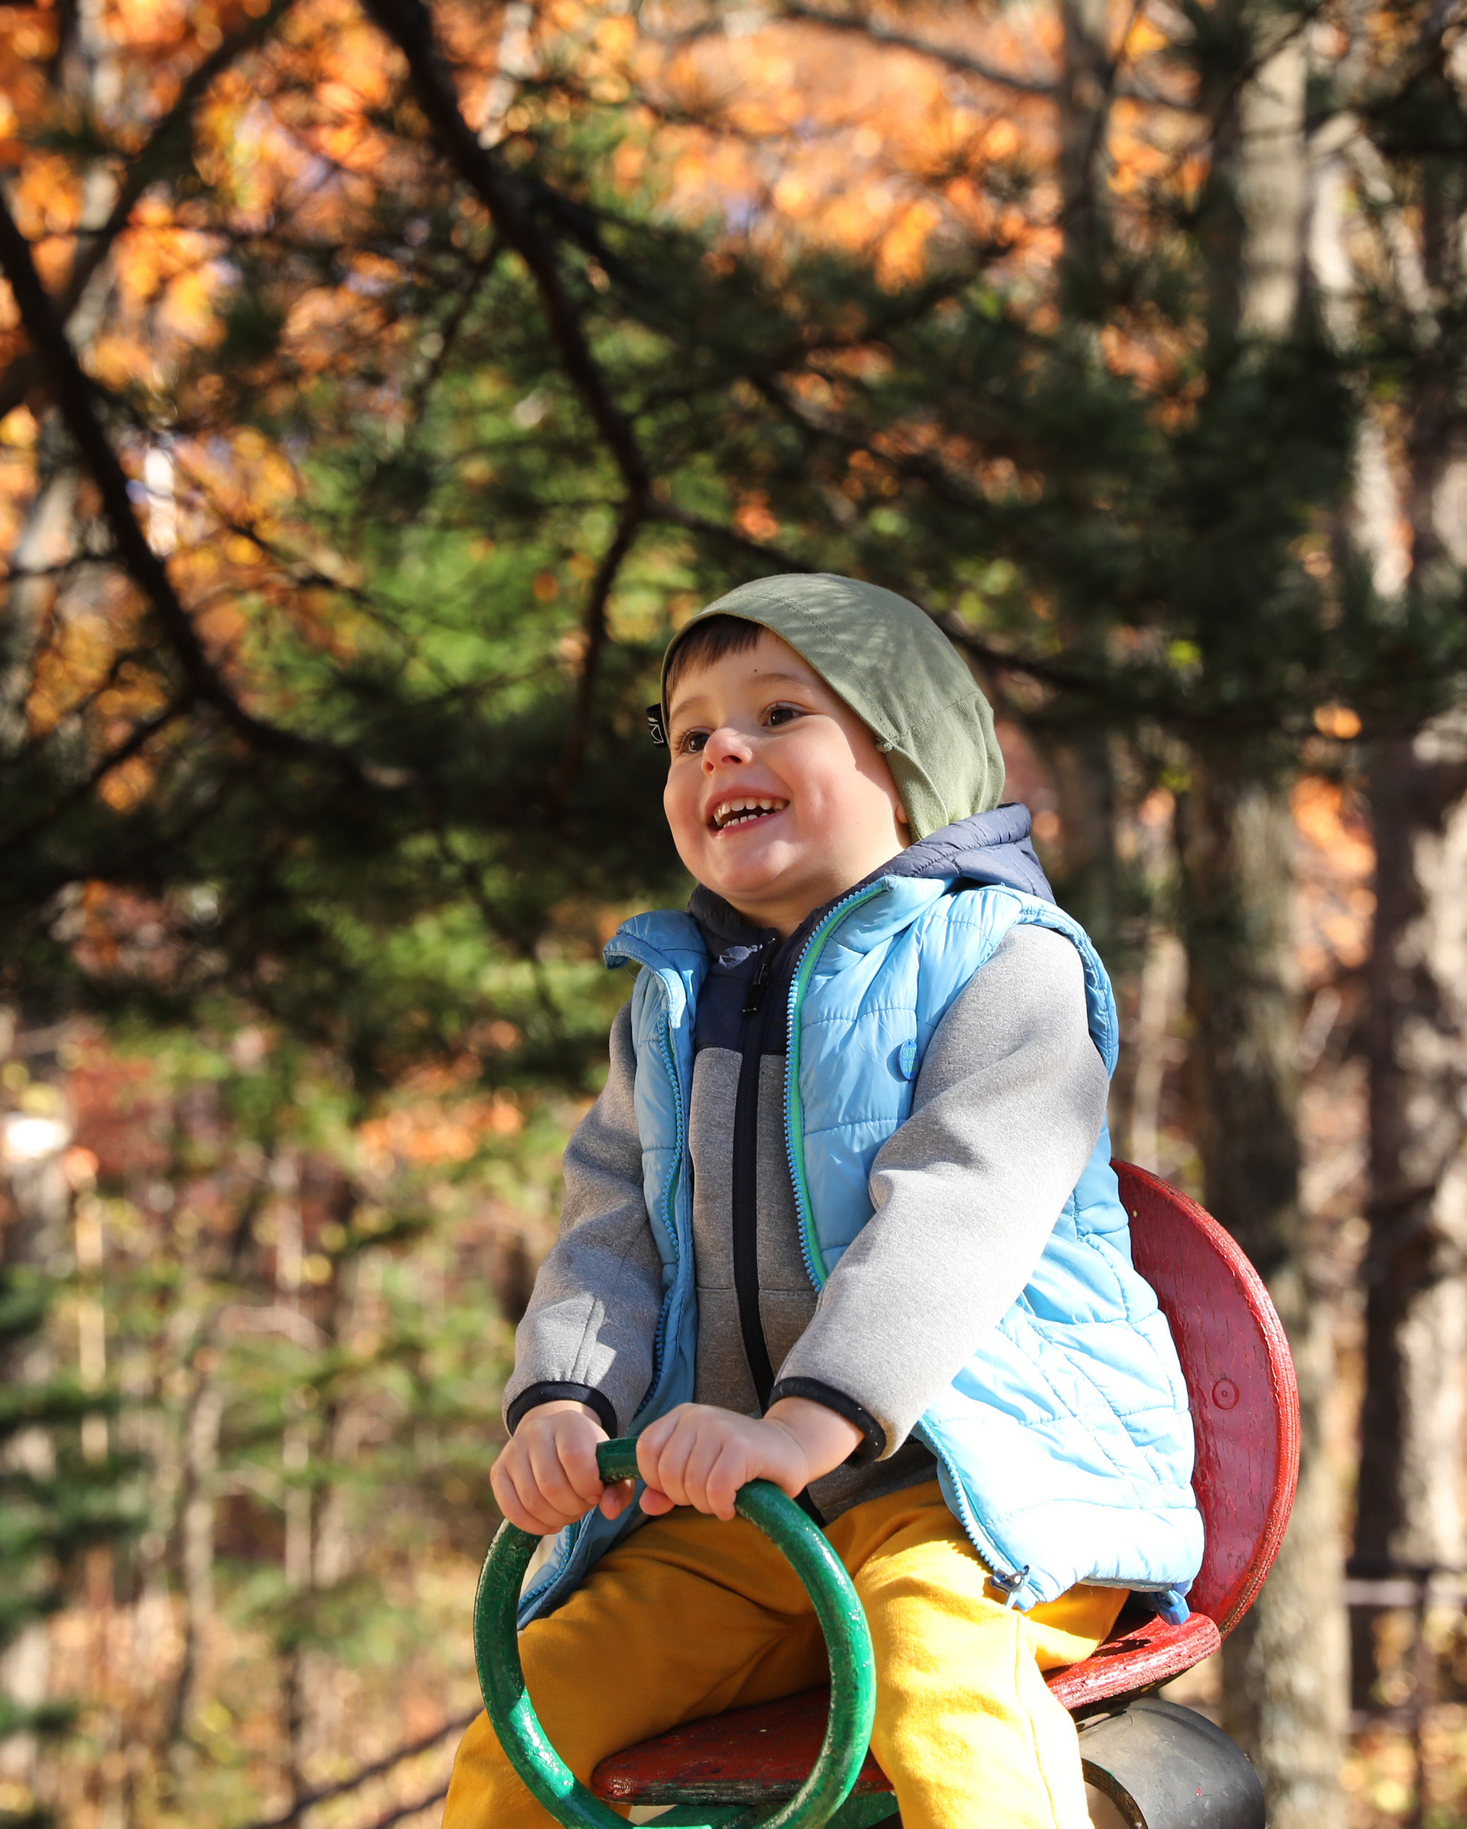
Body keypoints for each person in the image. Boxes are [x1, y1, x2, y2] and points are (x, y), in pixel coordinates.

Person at [443, 574, 1201, 1829]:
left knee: (938, 1689)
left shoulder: (1006, 962)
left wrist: (806, 1423)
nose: (720, 747)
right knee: (532, 1711)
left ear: (905, 756)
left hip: (978, 1491)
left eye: (777, 711)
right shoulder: (670, 1001)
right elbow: (609, 1227)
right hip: (754, 1509)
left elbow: (953, 1213)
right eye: (688, 734)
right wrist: (565, 1399)